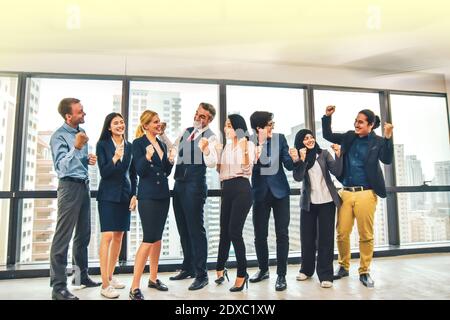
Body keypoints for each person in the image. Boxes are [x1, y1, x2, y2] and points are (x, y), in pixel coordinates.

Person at [322, 105, 394, 288]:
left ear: (370, 125)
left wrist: (387, 137)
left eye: (360, 122)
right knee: (342, 233)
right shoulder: (348, 137)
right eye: (355, 120)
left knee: (365, 235)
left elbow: (386, 159)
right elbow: (328, 135)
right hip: (345, 192)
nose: (356, 124)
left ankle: (364, 271)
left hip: (366, 194)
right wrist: (327, 116)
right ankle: (343, 267)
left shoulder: (377, 141)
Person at [160, 102, 219, 291]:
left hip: (194, 187)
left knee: (195, 230)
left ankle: (202, 274)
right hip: (179, 184)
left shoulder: (212, 137)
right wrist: (162, 134)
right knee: (183, 228)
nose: (197, 117)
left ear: (209, 119)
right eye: (196, 113)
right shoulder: (187, 131)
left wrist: (206, 149)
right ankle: (188, 268)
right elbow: (173, 148)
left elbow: (211, 163)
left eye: (201, 116)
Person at [49, 98, 101, 300]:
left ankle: (80, 277)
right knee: (63, 238)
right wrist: (77, 149)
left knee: (83, 235)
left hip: (83, 185)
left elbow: (75, 162)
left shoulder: (81, 133)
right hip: (69, 188)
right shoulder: (59, 136)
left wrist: (87, 159)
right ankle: (58, 288)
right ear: (68, 116)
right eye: (80, 112)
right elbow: (61, 167)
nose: (84, 114)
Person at [129, 110, 174, 300]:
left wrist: (170, 161)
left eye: (159, 122)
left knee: (157, 238)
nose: (158, 124)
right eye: (154, 122)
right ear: (145, 125)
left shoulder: (162, 144)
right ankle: (134, 287)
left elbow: (165, 171)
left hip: (163, 195)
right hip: (147, 196)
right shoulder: (138, 144)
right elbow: (139, 170)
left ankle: (153, 278)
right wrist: (146, 157)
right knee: (148, 238)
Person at [290, 129, 342, 288]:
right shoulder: (299, 157)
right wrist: (302, 160)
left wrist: (339, 155)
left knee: (325, 240)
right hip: (308, 203)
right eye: (305, 138)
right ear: (300, 142)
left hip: (327, 202)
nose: (310, 140)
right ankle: (306, 270)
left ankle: (326, 275)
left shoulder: (324, 154)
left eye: (311, 137)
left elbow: (337, 172)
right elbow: (297, 177)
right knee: (307, 238)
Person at [248, 111, 294, 291]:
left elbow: (288, 164)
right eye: (269, 123)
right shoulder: (249, 142)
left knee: (282, 234)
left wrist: (295, 158)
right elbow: (247, 165)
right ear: (259, 127)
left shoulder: (280, 139)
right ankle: (263, 269)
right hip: (259, 193)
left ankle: (281, 275)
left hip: (280, 193)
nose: (272, 126)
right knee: (260, 235)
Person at [96, 112, 137, 299]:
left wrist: (134, 195)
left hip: (125, 195)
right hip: (107, 195)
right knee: (107, 236)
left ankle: (111, 277)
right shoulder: (103, 145)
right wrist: (114, 157)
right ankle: (104, 284)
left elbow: (133, 173)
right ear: (109, 127)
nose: (120, 125)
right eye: (116, 123)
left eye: (122, 122)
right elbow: (104, 172)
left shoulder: (129, 146)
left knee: (119, 236)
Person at [215, 114, 255, 292]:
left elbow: (247, 169)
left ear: (238, 127)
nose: (226, 128)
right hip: (227, 188)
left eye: (229, 125)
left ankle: (241, 274)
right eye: (225, 125)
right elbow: (220, 171)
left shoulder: (249, 144)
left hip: (242, 187)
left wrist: (245, 148)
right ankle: (220, 268)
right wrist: (215, 153)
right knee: (224, 230)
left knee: (234, 231)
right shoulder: (227, 147)